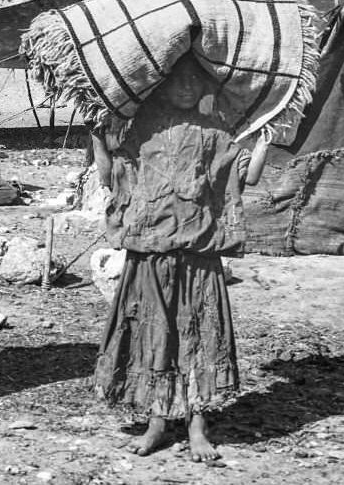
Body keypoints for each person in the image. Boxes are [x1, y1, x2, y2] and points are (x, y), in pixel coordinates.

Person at [92, 53, 269, 461]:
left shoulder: (215, 134)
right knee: (156, 336)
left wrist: (266, 139)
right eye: (178, 81)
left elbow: (248, 176)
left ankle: (197, 427)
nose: (186, 88)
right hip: (150, 251)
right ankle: (157, 422)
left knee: (199, 335)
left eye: (194, 81)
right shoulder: (141, 131)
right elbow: (110, 176)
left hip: (197, 255)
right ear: (162, 85)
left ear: (206, 86)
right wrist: (97, 136)